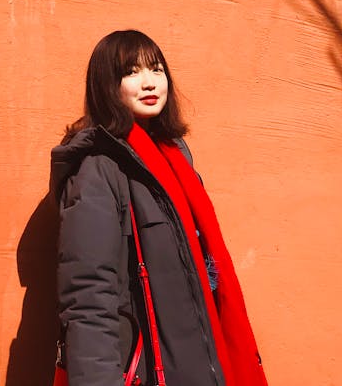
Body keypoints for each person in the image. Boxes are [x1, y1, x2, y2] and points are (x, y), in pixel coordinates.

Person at [50, 30, 268, 386]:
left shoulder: (175, 160)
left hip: (201, 365)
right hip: (150, 372)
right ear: (107, 85)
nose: (149, 83)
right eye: (131, 72)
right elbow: (89, 295)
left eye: (156, 69)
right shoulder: (99, 169)